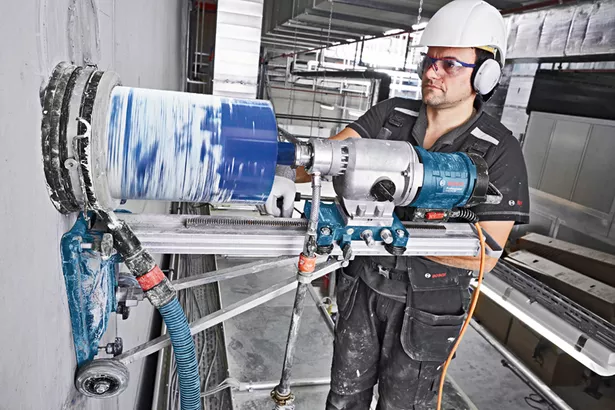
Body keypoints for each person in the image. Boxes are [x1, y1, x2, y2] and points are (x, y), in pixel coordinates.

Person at [265, 0, 530, 408]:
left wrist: (395, 237)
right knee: (344, 395)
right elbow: (329, 155)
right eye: (429, 60)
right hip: (364, 286)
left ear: (485, 75)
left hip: (429, 306)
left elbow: (487, 252)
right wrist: (281, 174)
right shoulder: (392, 116)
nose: (431, 72)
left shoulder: (499, 150)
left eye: (449, 64)